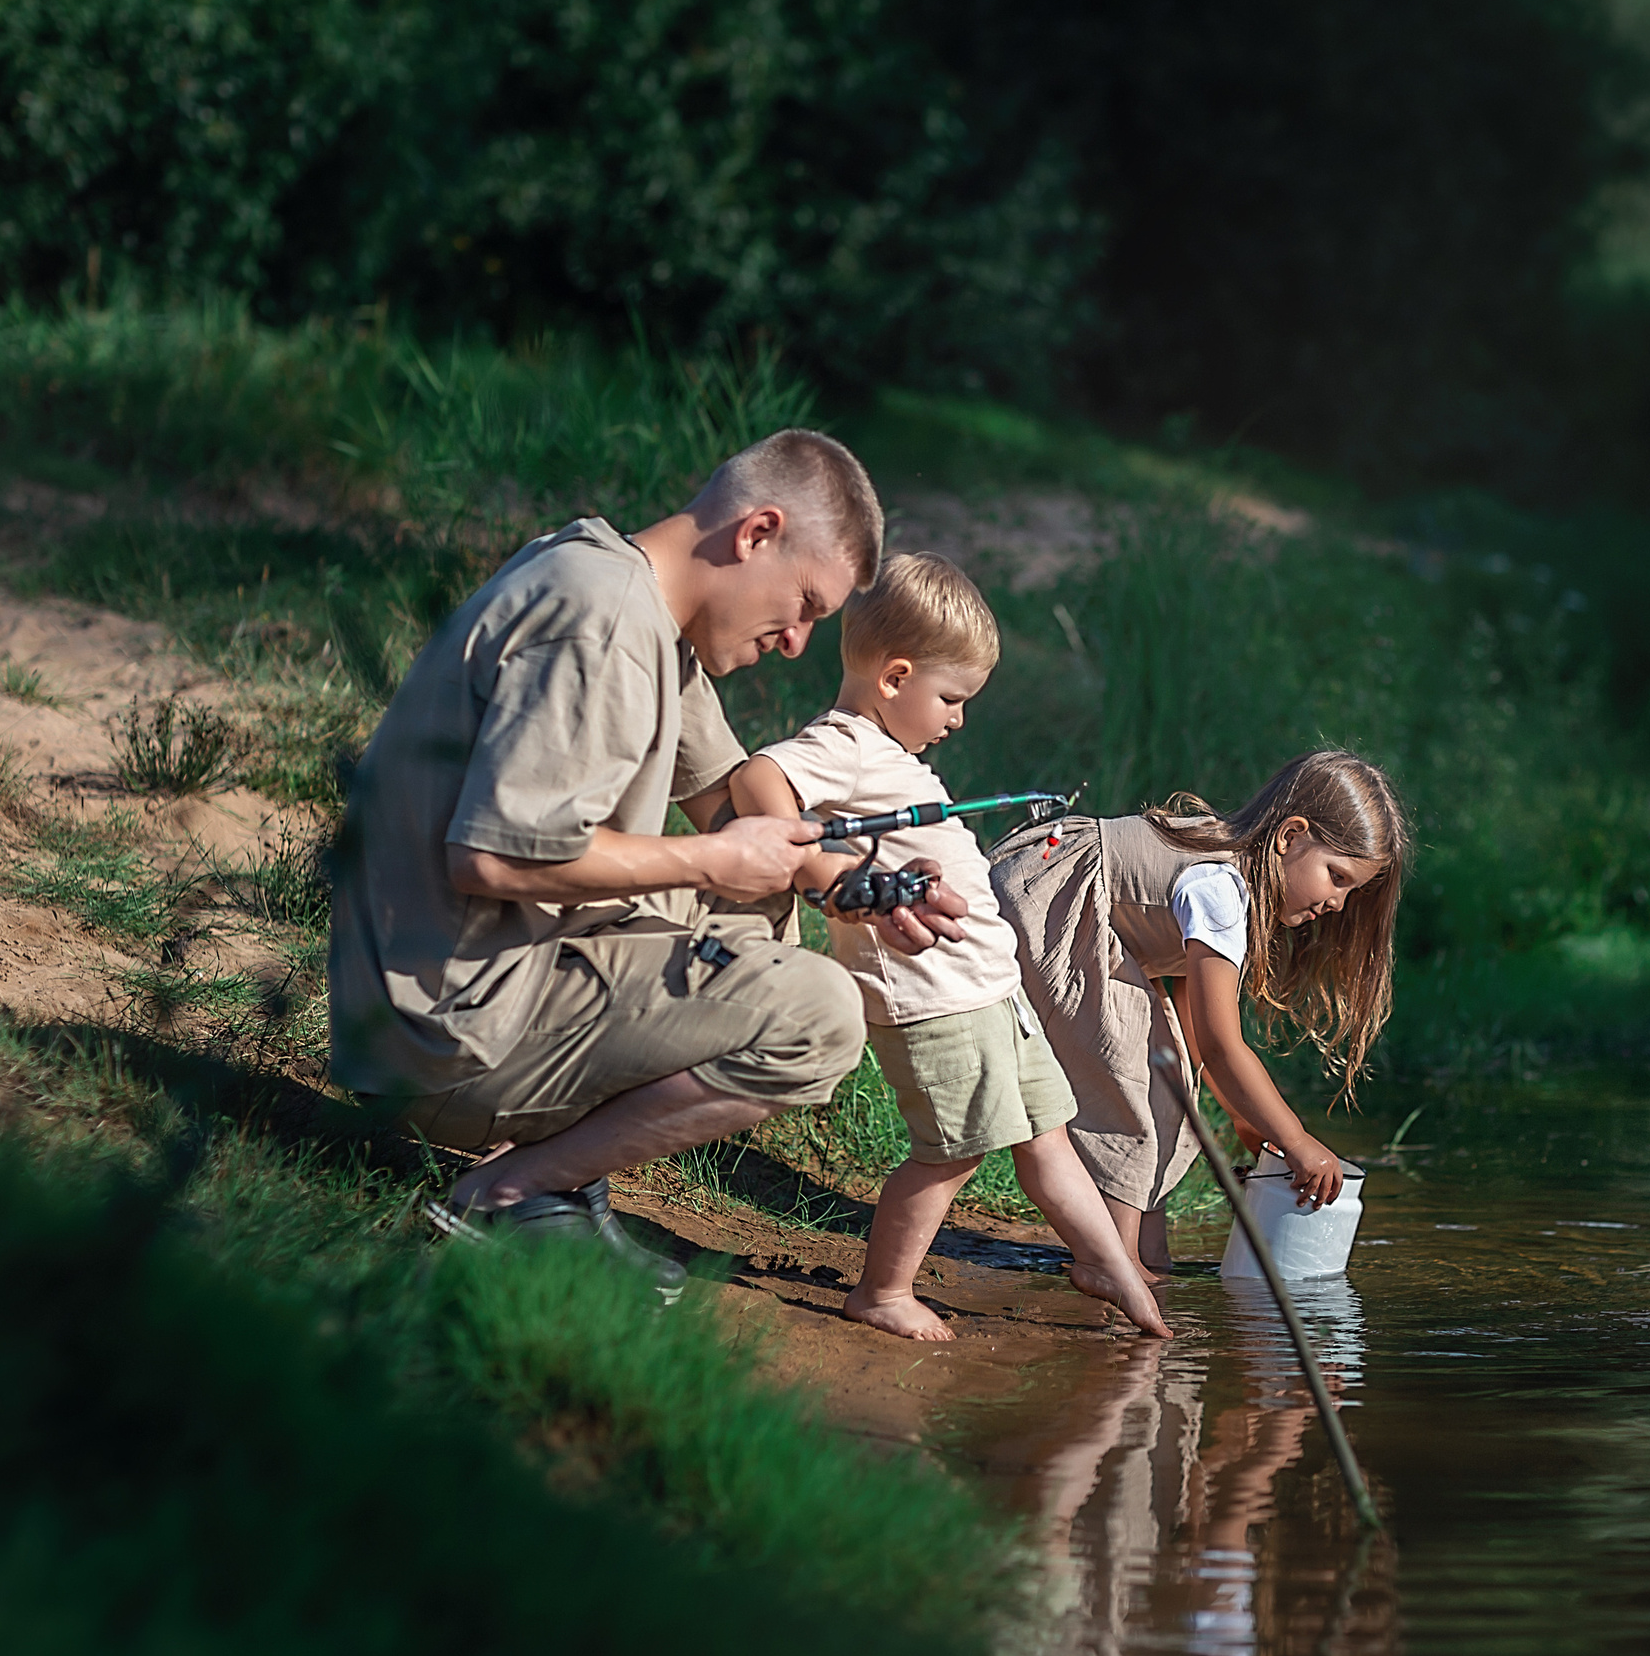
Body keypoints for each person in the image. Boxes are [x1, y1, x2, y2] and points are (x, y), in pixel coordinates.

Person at [328, 429, 970, 1283]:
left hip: (460, 980)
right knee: (818, 1016)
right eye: (808, 604)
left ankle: (560, 1180)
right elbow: (488, 860)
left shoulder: (628, 591)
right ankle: (512, 1191)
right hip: (441, 1032)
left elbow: (731, 799)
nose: (797, 643)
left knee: (762, 902)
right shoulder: (602, 625)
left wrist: (855, 883)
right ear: (756, 534)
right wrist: (710, 861)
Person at [729, 552, 1172, 1339]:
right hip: (935, 1004)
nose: (958, 718)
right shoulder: (850, 743)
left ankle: (1110, 1265)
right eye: (952, 698)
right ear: (894, 677)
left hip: (989, 993)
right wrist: (811, 856)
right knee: (954, 1151)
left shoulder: (895, 756)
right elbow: (760, 778)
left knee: (1047, 1137)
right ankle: (883, 1289)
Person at [990, 751, 1410, 1276]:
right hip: (1048, 905)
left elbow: (1194, 1024)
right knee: (1130, 1087)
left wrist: (1242, 1116)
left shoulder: (1236, 879)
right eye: (1338, 877)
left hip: (1086, 922)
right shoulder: (1222, 890)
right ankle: (1111, 1263)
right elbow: (1222, 1043)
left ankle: (1148, 1258)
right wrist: (1298, 1141)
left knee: (1171, 1082)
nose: (1339, 904)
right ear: (1290, 837)